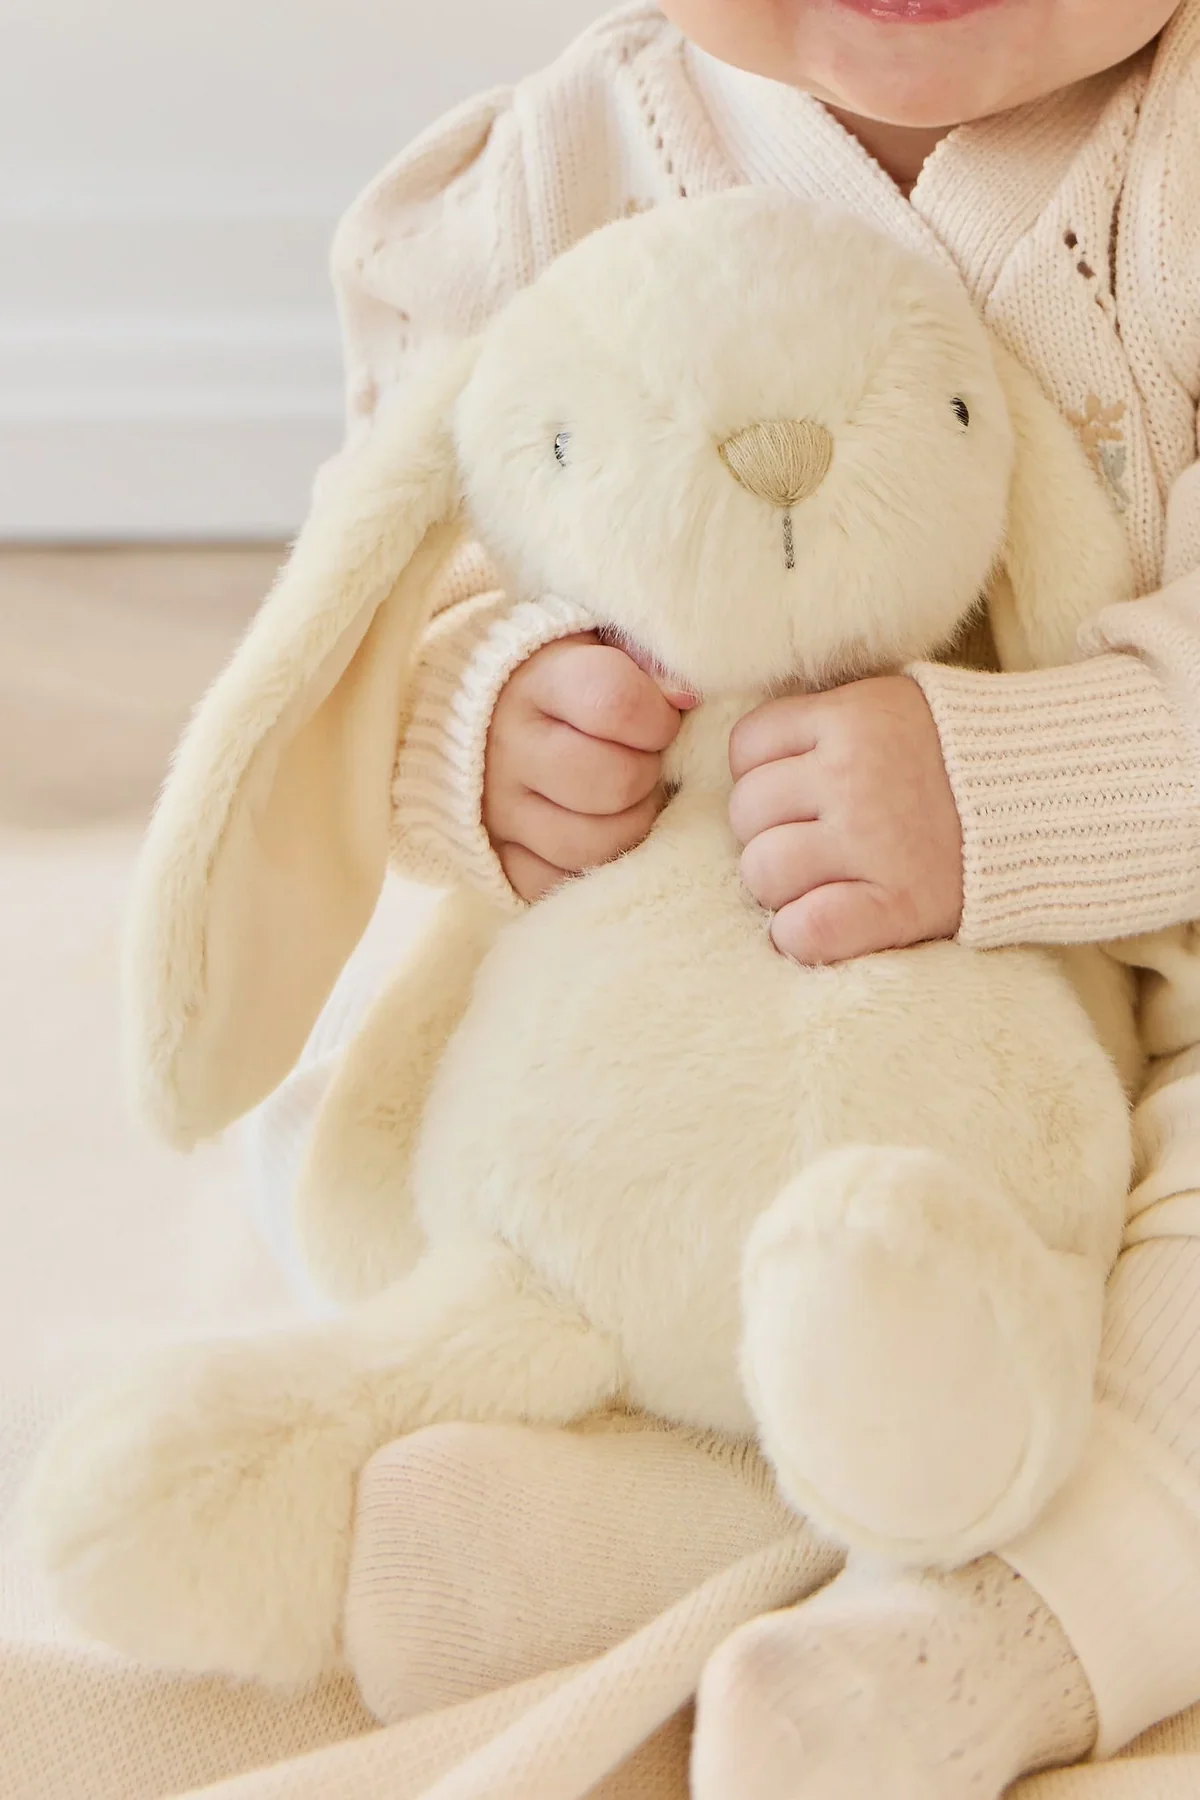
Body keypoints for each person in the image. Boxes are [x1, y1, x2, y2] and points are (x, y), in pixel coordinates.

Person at [247, 2, 1200, 1793]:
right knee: (460, 1145)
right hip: (708, 1010)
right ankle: (651, 1525)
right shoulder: (554, 172)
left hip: (1161, 991)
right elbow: (384, 592)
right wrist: (489, 728)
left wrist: (1007, 787)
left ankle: (1012, 1631)